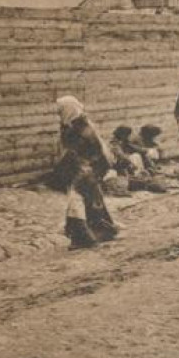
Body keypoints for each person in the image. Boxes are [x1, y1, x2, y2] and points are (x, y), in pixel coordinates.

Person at [48, 95, 119, 248]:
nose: (59, 114)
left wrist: (84, 171)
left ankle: (84, 237)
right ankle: (103, 231)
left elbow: (90, 151)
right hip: (83, 169)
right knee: (90, 200)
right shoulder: (75, 125)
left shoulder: (80, 129)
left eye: (61, 111)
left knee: (76, 203)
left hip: (85, 170)